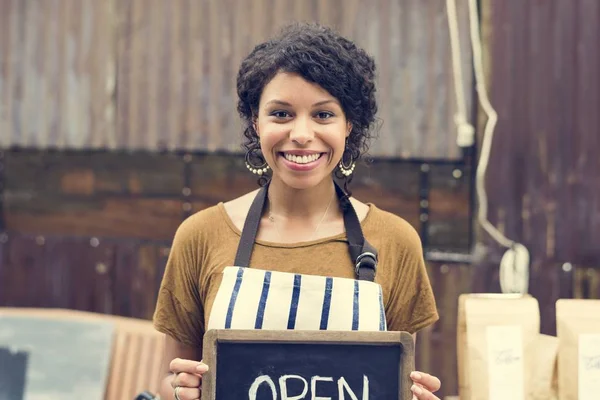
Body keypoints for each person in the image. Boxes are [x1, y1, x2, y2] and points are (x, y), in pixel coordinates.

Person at [153, 22, 441, 400]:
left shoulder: (396, 241)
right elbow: (167, 381)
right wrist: (178, 391)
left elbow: (396, 379)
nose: (302, 134)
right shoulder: (200, 235)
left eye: (323, 115)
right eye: (282, 114)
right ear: (256, 123)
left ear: (349, 126)